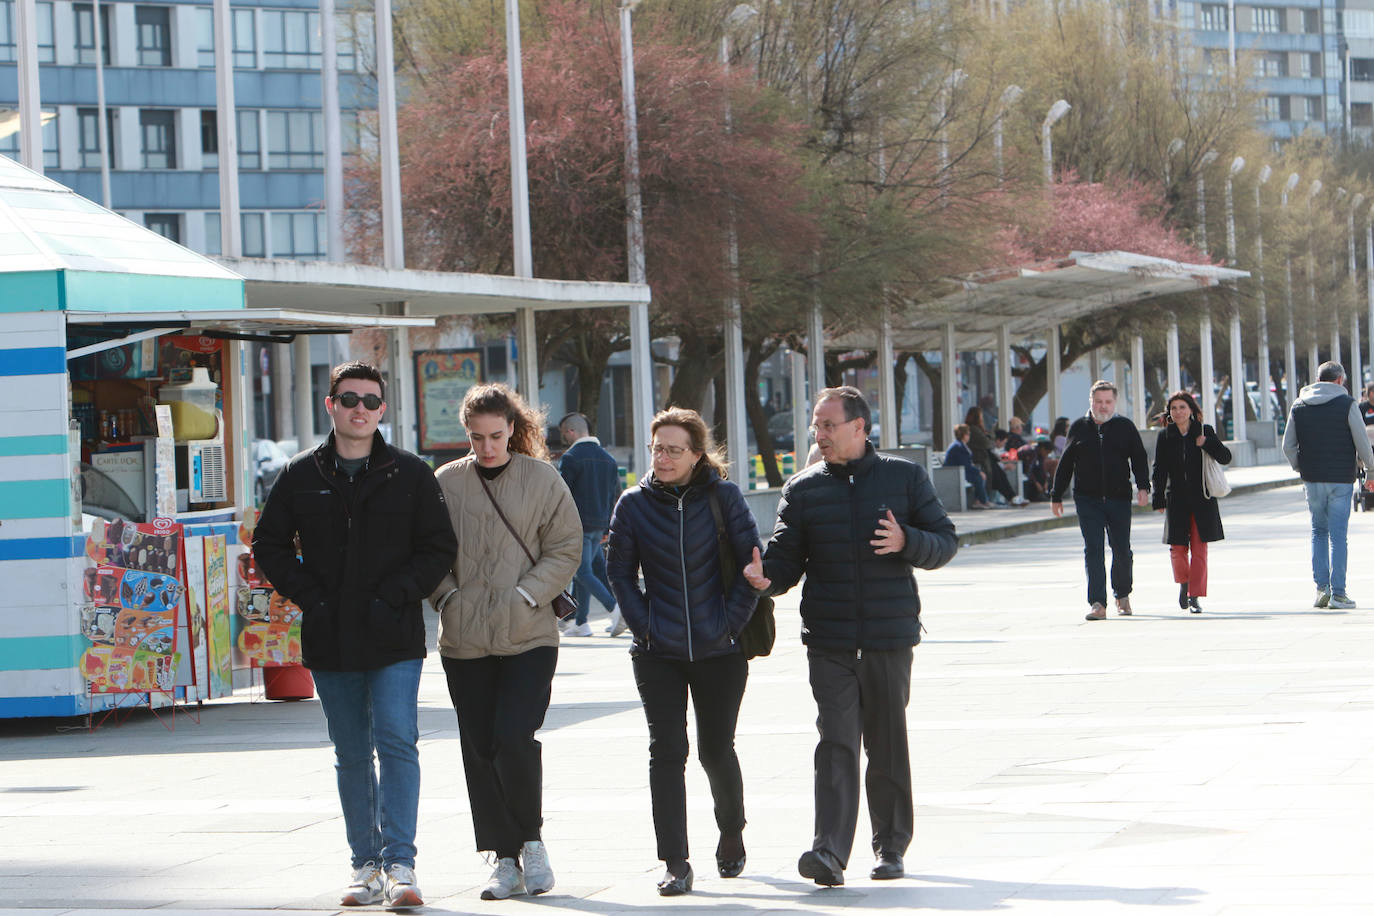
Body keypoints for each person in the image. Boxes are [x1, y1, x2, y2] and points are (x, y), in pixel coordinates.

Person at [253, 361, 457, 910]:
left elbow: (438, 548)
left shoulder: (411, 473)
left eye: (370, 400)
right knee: (349, 752)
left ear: (383, 410)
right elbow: (267, 543)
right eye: (349, 399)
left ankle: (401, 864)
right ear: (331, 405)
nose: (360, 409)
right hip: (330, 635)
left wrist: (395, 594)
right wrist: (311, 597)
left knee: (396, 743)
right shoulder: (300, 473)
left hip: (393, 636)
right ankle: (364, 865)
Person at [741, 386, 958, 887]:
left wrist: (909, 541)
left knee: (885, 744)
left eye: (827, 425)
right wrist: (765, 579)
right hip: (830, 639)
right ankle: (830, 852)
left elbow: (945, 540)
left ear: (860, 427)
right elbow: (786, 560)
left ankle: (891, 848)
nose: (819, 434)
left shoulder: (904, 478)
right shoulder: (803, 489)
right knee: (836, 743)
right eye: (816, 425)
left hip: (888, 636)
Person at [429, 384, 582, 900]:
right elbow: (426, 552)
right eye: (477, 438)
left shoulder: (542, 478)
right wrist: (446, 596)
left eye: (496, 436)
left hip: (529, 634)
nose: (487, 447)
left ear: (513, 429)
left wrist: (527, 594)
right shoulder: (446, 482)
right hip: (465, 639)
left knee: (515, 737)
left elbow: (565, 546)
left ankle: (532, 841)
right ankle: (502, 855)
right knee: (480, 747)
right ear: (466, 434)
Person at [606, 408, 760, 897]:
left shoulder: (725, 497)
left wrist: (730, 623)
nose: (664, 458)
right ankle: (675, 860)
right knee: (666, 752)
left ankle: (731, 828)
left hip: (720, 649)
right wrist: (645, 626)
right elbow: (619, 574)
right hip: (657, 651)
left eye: (674, 449)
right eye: (657, 449)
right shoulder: (632, 504)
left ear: (697, 454)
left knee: (716, 750)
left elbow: (752, 567)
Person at [1050, 380, 1150, 620]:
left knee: (1121, 550)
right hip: (1087, 499)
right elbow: (1065, 464)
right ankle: (1097, 603)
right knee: (1093, 550)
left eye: (1107, 402)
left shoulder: (1125, 426)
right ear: (1090, 402)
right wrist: (1056, 495)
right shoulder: (1078, 427)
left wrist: (1143, 487)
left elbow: (1138, 457)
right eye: (1098, 402)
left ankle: (1122, 594)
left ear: (1114, 402)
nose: (1103, 407)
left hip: (1119, 498)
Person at [1281, 361, 1374, 609]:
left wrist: (1301, 466)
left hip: (1312, 480)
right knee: (1338, 537)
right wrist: (1370, 470)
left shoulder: (1299, 405)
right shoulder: (1347, 404)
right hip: (1341, 479)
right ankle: (1339, 594)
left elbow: (1287, 446)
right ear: (1340, 380)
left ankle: (1322, 589)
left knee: (1318, 532)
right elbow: (1362, 442)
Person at [1150, 391, 1233, 614]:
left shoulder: (1204, 432)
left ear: (1191, 411)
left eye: (1182, 407)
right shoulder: (1165, 436)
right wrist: (1157, 497)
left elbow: (1225, 457)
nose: (1178, 412)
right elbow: (1159, 469)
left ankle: (1195, 596)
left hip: (1202, 499)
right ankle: (1184, 583)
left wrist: (1207, 443)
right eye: (1174, 408)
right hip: (1176, 499)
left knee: (1199, 549)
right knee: (1177, 549)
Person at [557, 412, 624, 638]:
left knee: (582, 571)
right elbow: (615, 495)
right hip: (600, 526)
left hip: (578, 526)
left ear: (571, 432)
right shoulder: (608, 459)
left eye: (564, 434)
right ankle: (581, 621)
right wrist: (608, 527)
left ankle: (614, 609)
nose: (564, 438)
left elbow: (563, 496)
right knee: (584, 571)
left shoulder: (571, 458)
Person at [964, 408, 1026, 506]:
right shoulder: (974, 430)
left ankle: (1012, 497)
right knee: (998, 475)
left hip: (986, 459)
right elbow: (987, 444)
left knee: (1000, 475)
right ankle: (1011, 497)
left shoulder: (976, 429)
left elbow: (988, 443)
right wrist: (990, 436)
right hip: (980, 461)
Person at [943, 424, 992, 509]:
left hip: (960, 471)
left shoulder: (961, 445)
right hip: (954, 473)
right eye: (968, 434)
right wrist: (979, 472)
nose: (969, 436)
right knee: (979, 477)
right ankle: (984, 501)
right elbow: (965, 465)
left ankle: (979, 501)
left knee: (979, 476)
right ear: (963, 435)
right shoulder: (959, 447)